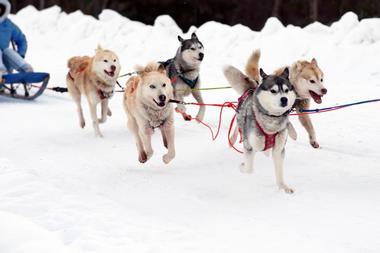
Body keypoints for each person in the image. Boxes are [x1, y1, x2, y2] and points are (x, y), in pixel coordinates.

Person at [0, 0, 33, 77]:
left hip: (5, 66)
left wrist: (20, 55)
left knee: (7, 51)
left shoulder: (8, 25)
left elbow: (22, 40)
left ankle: (26, 70)